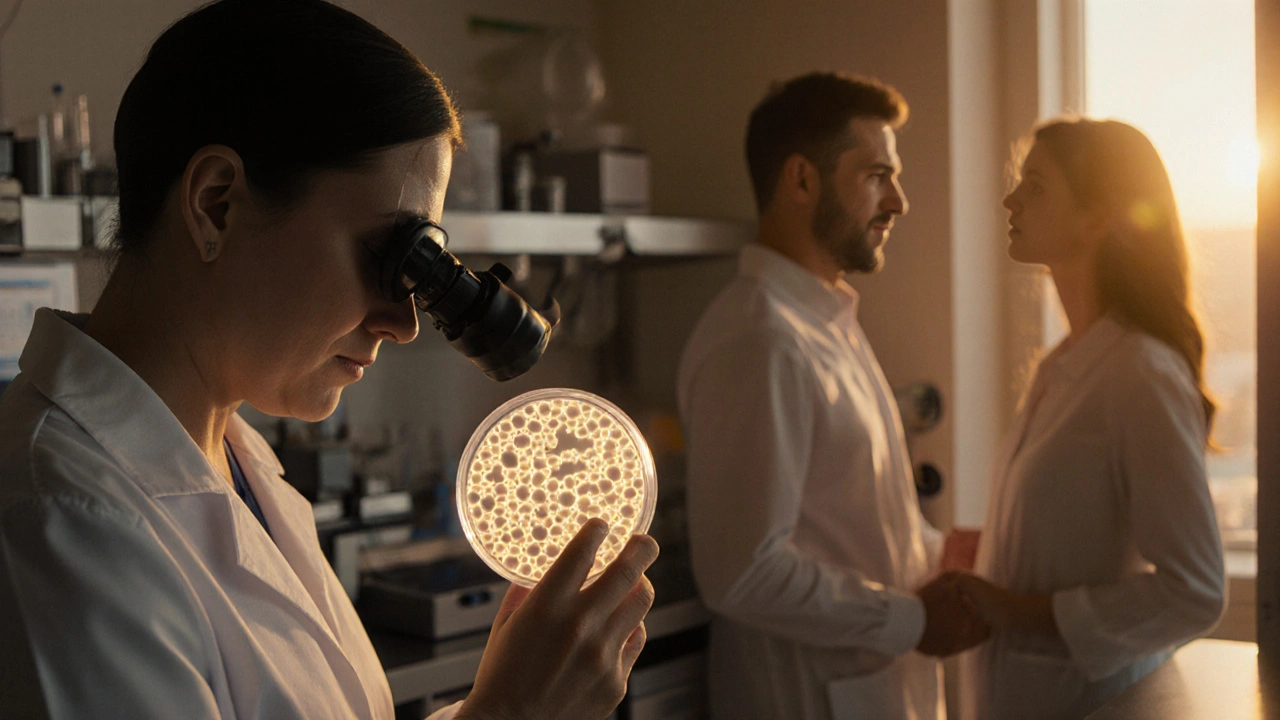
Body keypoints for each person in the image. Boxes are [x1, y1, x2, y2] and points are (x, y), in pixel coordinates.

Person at [0, 2, 658, 719]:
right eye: (390, 254)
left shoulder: (239, 469)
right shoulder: (60, 526)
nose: (405, 322)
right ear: (216, 204)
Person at [676, 72, 988, 720]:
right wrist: (910, 620)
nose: (898, 201)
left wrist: (938, 553)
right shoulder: (760, 341)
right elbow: (743, 571)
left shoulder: (825, 323)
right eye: (878, 175)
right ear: (801, 180)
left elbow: (844, 524)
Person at [953, 118, 1227, 719]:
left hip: (1089, 704)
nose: (1010, 199)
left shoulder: (1139, 374)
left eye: (1036, 186)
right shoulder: (1064, 365)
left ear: (1098, 219)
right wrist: (993, 552)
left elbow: (1196, 591)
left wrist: (1013, 609)